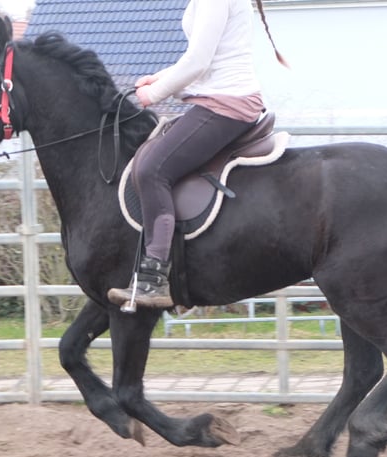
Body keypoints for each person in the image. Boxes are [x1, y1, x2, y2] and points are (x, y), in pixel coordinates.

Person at [107, 0, 286, 310]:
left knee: (152, 169)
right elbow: (202, 56)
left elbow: (198, 62)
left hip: (225, 103)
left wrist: (155, 93)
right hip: (221, 98)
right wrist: (159, 77)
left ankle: (155, 277)